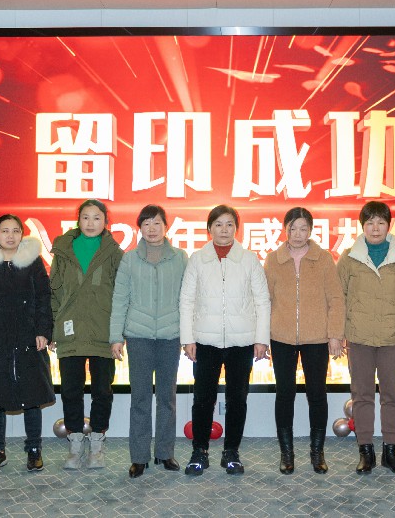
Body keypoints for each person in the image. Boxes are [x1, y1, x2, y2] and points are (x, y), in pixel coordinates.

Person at [180, 204, 271, 476]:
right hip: (204, 341)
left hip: (241, 342)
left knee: (237, 399)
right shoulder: (197, 259)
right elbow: (186, 301)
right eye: (218, 224)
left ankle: (231, 452)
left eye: (229, 224)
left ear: (236, 228)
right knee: (202, 399)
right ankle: (199, 451)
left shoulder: (249, 259)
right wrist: (188, 338)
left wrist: (261, 339)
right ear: (209, 228)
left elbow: (262, 301)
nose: (224, 229)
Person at [338, 201, 395, 475]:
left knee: (392, 396)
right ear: (362, 226)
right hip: (359, 337)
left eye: (381, 223)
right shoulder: (349, 257)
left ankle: (391, 451)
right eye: (370, 223)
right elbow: (338, 298)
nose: (375, 228)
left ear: (389, 225)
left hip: (393, 336)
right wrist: (337, 334)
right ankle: (365, 451)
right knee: (361, 395)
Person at [0, 214, 56, 474]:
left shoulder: (33, 262)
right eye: (5, 231)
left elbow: (43, 299)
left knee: (32, 397)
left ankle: (34, 449)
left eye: (16, 231)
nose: (10, 236)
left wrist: (43, 331)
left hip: (28, 340)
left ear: (22, 235)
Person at [110, 204, 189, 478]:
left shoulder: (180, 258)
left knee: (167, 398)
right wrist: (115, 337)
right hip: (139, 336)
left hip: (170, 336)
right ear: (139, 228)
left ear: (166, 226)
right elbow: (120, 299)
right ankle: (139, 457)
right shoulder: (129, 259)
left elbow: (188, 300)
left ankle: (165, 453)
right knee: (140, 398)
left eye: (157, 223)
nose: (152, 229)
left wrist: (189, 336)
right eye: (146, 224)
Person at [264, 207, 345, 474]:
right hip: (281, 337)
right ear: (285, 230)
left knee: (317, 394)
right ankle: (286, 453)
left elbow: (336, 299)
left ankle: (317, 452)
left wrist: (335, 334)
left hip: (316, 337)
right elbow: (265, 300)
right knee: (284, 394)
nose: (298, 234)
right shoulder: (273, 260)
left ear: (310, 230)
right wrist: (262, 337)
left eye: (303, 229)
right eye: (293, 228)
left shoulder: (323, 259)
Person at [50, 199, 124, 470]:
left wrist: (118, 334)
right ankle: (74, 443)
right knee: (71, 390)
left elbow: (121, 296)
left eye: (97, 218)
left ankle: (97, 443)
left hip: (103, 332)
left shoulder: (114, 253)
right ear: (78, 220)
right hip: (70, 330)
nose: (91, 223)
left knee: (102, 391)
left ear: (105, 222)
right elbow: (55, 292)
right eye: (85, 217)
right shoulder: (63, 250)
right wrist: (53, 329)